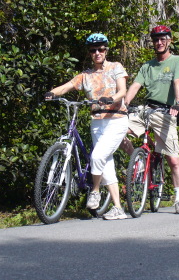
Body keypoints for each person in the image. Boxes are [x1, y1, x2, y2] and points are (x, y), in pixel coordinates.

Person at [45, 33, 129, 220]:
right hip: (97, 122)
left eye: (100, 49)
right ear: (90, 53)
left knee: (97, 156)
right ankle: (118, 208)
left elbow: (122, 91)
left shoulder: (116, 67)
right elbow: (67, 86)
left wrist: (111, 98)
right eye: (93, 50)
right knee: (105, 163)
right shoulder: (86, 75)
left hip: (117, 119)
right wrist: (51, 92)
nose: (97, 53)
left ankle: (95, 191)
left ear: (106, 50)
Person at [121, 25, 179, 214]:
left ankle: (178, 199)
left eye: (163, 39)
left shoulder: (177, 61)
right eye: (156, 40)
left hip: (166, 112)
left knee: (173, 160)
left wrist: (178, 102)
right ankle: (140, 159)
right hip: (146, 110)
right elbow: (135, 86)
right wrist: (124, 103)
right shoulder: (147, 66)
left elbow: (178, 83)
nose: (159, 42)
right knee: (116, 132)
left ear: (169, 41)